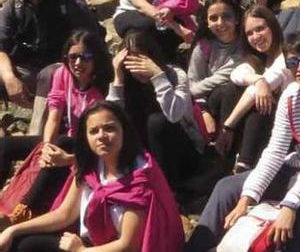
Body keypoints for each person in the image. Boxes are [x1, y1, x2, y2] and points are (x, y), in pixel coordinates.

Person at [187, 35, 300, 252]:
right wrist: (248, 195)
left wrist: (290, 204)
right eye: (293, 63)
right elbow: (275, 150)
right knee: (228, 187)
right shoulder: (291, 95)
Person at [0, 101, 184, 252]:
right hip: (90, 245)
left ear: (124, 132)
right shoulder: (89, 165)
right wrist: (13, 230)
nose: (102, 136)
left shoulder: (139, 177)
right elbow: (64, 214)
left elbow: (128, 245)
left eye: (109, 128)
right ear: (85, 137)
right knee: (21, 244)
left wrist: (81, 251)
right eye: (93, 131)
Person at [0, 29, 109, 221]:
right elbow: (54, 115)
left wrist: (66, 157)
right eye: (72, 57)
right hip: (65, 139)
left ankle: (24, 209)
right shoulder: (62, 74)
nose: (77, 63)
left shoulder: (104, 88)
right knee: (6, 145)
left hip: (91, 148)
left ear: (96, 58)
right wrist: (46, 146)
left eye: (85, 57)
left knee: (63, 142)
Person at [110, 29, 221, 208]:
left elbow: (174, 114)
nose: (137, 67)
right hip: (146, 154)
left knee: (157, 122)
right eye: (130, 60)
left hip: (182, 150)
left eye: (141, 59)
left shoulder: (176, 75)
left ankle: (169, 191)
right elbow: (111, 118)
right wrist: (118, 77)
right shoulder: (125, 82)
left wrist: (157, 77)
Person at [0, 0, 104, 135]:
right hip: (25, 69)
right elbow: (1, 47)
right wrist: (10, 79)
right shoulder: (12, 7)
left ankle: (35, 142)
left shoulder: (70, 6)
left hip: (64, 69)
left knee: (49, 75)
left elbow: (92, 43)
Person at [212, 6, 286, 174]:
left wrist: (228, 127)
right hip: (264, 126)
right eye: (250, 33)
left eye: (260, 29)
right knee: (230, 90)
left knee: (261, 102)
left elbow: (260, 89)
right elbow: (237, 74)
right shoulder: (261, 59)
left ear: (273, 27)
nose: (255, 37)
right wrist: (258, 79)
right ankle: (228, 158)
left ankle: (244, 164)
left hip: (286, 127)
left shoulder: (285, 56)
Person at [187, 0, 243, 145]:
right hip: (209, 104)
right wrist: (203, 110)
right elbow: (193, 80)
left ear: (237, 18)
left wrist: (189, 93)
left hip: (239, 102)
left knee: (228, 89)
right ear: (206, 21)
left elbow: (224, 76)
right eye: (213, 18)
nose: (220, 23)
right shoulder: (203, 46)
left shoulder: (246, 43)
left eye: (226, 17)